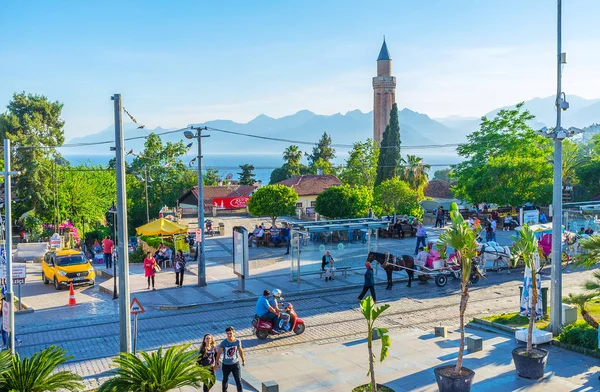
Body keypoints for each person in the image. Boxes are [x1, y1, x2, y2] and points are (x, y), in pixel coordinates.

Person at [215, 326, 245, 392]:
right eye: (228, 333)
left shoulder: (237, 341)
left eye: (230, 333)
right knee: (225, 379)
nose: (229, 335)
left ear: (233, 333)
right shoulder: (223, 343)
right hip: (226, 364)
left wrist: (243, 360)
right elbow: (219, 353)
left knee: (238, 380)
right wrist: (216, 363)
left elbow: (240, 351)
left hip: (235, 364)